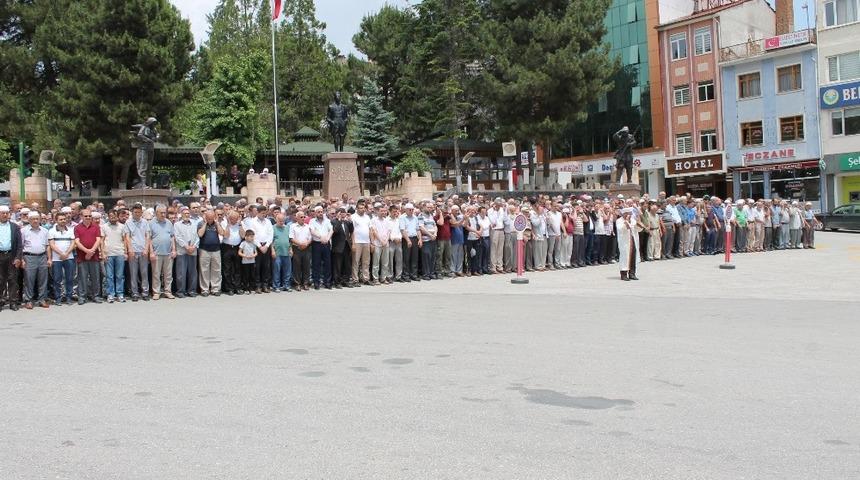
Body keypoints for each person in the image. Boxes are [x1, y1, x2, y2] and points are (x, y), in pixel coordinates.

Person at [21, 211, 50, 309]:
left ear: (40, 219)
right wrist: (22, 260)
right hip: (29, 257)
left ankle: (42, 299)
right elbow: (20, 246)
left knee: (43, 279)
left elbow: (47, 246)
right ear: (29, 220)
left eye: (37, 219)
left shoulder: (44, 231)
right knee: (29, 280)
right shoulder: (24, 231)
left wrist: (49, 258)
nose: (35, 221)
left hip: (42, 257)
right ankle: (29, 300)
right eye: (33, 219)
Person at [74, 208, 102, 304]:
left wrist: (91, 251)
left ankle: (96, 296)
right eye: (86, 216)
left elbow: (98, 240)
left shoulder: (96, 227)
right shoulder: (77, 228)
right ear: (81, 217)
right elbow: (77, 242)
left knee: (95, 277)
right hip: (82, 256)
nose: (88, 217)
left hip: (94, 256)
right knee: (82, 278)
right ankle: (82, 296)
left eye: (90, 216)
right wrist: (87, 251)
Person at [123, 204, 151, 302]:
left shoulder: (145, 222)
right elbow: (127, 237)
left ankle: (145, 292)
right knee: (133, 273)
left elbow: (147, 236)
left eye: (139, 212)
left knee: (144, 273)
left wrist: (146, 249)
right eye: (135, 212)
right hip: (133, 251)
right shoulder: (128, 222)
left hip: (143, 250)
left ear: (141, 212)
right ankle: (134, 292)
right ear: (132, 212)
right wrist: (130, 249)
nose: (137, 214)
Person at [48, 212, 76, 305]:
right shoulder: (51, 231)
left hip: (69, 257)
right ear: (56, 220)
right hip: (57, 259)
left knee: (69, 278)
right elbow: (52, 245)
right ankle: (58, 298)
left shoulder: (71, 230)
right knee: (57, 279)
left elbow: (73, 243)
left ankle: (68, 297)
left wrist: (67, 253)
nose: (63, 221)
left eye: (64, 219)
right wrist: (61, 253)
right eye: (60, 219)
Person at [149, 206, 176, 300]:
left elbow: (172, 237)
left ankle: (168, 291)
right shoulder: (151, 223)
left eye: (165, 213)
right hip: (156, 253)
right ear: (156, 213)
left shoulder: (168, 222)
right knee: (156, 274)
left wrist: (174, 250)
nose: (164, 214)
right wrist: (151, 252)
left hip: (168, 253)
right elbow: (149, 238)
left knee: (168, 274)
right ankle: (156, 292)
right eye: (161, 213)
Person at [101, 209, 127, 303]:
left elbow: (125, 240)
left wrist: (126, 252)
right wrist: (103, 253)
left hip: (120, 253)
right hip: (109, 253)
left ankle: (120, 294)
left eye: (115, 216)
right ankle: (110, 294)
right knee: (109, 276)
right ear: (108, 216)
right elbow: (102, 240)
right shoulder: (104, 227)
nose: (113, 218)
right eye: (111, 216)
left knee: (120, 275)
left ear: (117, 216)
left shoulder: (122, 226)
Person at [0, 205, 22, 311]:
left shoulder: (14, 227)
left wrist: (18, 257)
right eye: (2, 213)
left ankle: (13, 302)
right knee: (0, 280)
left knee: (12, 279)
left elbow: (19, 244)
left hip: (11, 255)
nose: (5, 215)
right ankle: (1, 300)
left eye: (6, 213)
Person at [173, 207, 199, 298]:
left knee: (192, 272)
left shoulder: (194, 224)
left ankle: (192, 290)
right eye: (185, 213)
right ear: (181, 214)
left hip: (193, 251)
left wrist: (194, 246)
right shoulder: (177, 225)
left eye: (188, 213)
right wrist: (186, 246)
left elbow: (197, 237)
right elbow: (177, 237)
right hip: (182, 251)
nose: (187, 215)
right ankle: (181, 291)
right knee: (181, 273)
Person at [197, 210, 224, 296]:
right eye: (208, 218)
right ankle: (205, 289)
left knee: (216, 270)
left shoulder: (216, 224)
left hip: (216, 250)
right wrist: (205, 223)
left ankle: (215, 289)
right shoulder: (201, 223)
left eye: (212, 218)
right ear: (205, 217)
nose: (210, 220)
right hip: (204, 250)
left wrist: (217, 223)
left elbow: (222, 233)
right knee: (204, 270)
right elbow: (200, 234)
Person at [250, 205, 274, 293]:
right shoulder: (253, 222)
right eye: (262, 213)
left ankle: (265, 285)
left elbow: (270, 234)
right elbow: (252, 235)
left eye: (265, 213)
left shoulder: (268, 222)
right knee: (257, 267)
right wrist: (259, 246)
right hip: (257, 246)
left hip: (266, 246)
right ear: (258, 212)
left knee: (266, 266)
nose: (264, 215)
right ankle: (257, 286)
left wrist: (267, 245)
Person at [309, 206, 333, 290]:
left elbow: (331, 230)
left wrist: (327, 238)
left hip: (326, 243)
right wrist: (321, 237)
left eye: (321, 211)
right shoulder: (312, 221)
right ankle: (316, 282)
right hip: (317, 244)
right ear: (315, 213)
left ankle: (327, 282)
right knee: (316, 264)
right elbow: (312, 231)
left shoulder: (327, 221)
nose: (320, 213)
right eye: (318, 212)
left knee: (327, 263)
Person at [220, 211, 244, 295]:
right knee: (227, 269)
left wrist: (240, 224)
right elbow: (226, 235)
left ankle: (237, 287)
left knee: (237, 268)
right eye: (232, 218)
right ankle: (229, 288)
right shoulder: (224, 223)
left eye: (235, 218)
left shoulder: (240, 224)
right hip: (227, 248)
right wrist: (228, 224)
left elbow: (243, 235)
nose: (234, 220)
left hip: (237, 247)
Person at [289, 211, 312, 290]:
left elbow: (310, 238)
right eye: (301, 217)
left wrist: (306, 244)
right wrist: (300, 244)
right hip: (297, 248)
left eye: (304, 217)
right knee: (297, 267)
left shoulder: (308, 226)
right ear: (297, 218)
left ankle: (305, 283)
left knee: (306, 266)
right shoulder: (293, 226)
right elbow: (291, 238)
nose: (303, 218)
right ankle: (297, 284)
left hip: (306, 248)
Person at [350, 202, 372, 286]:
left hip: (366, 242)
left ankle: (365, 278)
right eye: (360, 208)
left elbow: (370, 230)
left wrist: (371, 242)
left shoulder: (367, 217)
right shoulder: (353, 217)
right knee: (355, 261)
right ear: (356, 208)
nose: (362, 209)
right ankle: (355, 279)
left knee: (366, 262)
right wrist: (353, 243)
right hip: (357, 242)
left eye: (363, 208)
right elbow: (352, 231)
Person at [330, 208, 353, 288]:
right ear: (337, 213)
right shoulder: (333, 222)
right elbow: (335, 231)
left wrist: (350, 220)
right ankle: (337, 282)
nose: (343, 214)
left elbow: (351, 231)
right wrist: (339, 220)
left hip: (346, 246)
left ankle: (345, 281)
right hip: (338, 247)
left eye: (344, 213)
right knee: (337, 266)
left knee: (347, 265)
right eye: (341, 213)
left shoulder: (347, 222)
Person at [616, 208, 640, 281]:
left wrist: (638, 223)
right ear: (624, 213)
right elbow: (621, 229)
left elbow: (637, 229)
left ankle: (632, 273)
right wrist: (626, 222)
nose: (630, 215)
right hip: (625, 242)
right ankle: (623, 274)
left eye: (630, 213)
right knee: (625, 257)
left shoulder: (632, 220)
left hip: (632, 241)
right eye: (628, 213)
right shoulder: (619, 221)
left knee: (633, 257)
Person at [271, 213, 293, 292]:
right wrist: (272, 250)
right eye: (280, 221)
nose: (281, 222)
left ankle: (286, 285)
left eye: (283, 221)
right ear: (276, 220)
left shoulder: (287, 228)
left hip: (286, 252)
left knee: (287, 270)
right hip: (277, 253)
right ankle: (276, 286)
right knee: (277, 270)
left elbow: (289, 240)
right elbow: (271, 241)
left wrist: (291, 249)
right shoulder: (272, 228)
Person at [370, 204, 390, 285]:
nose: (383, 212)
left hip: (386, 244)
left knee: (385, 262)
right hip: (377, 243)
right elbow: (374, 231)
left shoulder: (387, 220)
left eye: (385, 211)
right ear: (378, 211)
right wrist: (381, 240)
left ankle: (383, 278)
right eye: (381, 211)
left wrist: (386, 240)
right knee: (376, 263)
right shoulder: (374, 220)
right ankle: (375, 279)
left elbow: (389, 231)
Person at [399, 203, 420, 282]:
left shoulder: (415, 217)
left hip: (415, 238)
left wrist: (420, 239)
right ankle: (406, 275)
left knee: (415, 257)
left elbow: (418, 229)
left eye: (412, 209)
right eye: (410, 210)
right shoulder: (402, 218)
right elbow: (402, 230)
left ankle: (414, 274)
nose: (411, 211)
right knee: (406, 258)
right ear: (406, 210)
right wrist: (408, 240)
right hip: (406, 239)